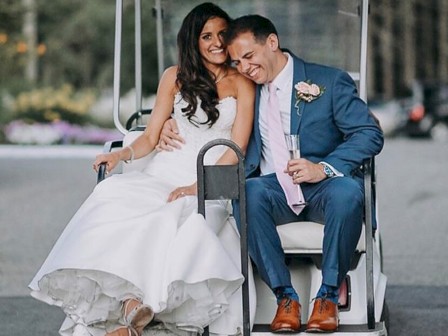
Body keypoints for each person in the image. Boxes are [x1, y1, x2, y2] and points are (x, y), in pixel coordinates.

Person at [29, 3, 255, 336]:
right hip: (165, 171)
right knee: (116, 196)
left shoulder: (241, 83)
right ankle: (131, 304)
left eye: (223, 34)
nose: (216, 42)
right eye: (207, 36)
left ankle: (141, 312)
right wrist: (122, 155)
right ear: (193, 41)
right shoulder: (173, 76)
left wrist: (198, 185)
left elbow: (238, 149)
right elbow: (150, 136)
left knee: (174, 217)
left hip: (211, 175)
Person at [159, 14, 384, 333]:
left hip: (323, 187)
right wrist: (170, 119)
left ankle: (328, 297)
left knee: (348, 192)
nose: (246, 67)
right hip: (272, 188)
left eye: (249, 56)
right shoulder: (246, 88)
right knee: (247, 191)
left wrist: (322, 168)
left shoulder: (328, 81)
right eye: (237, 62)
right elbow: (208, 112)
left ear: (273, 43)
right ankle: (286, 298)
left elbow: (369, 133)